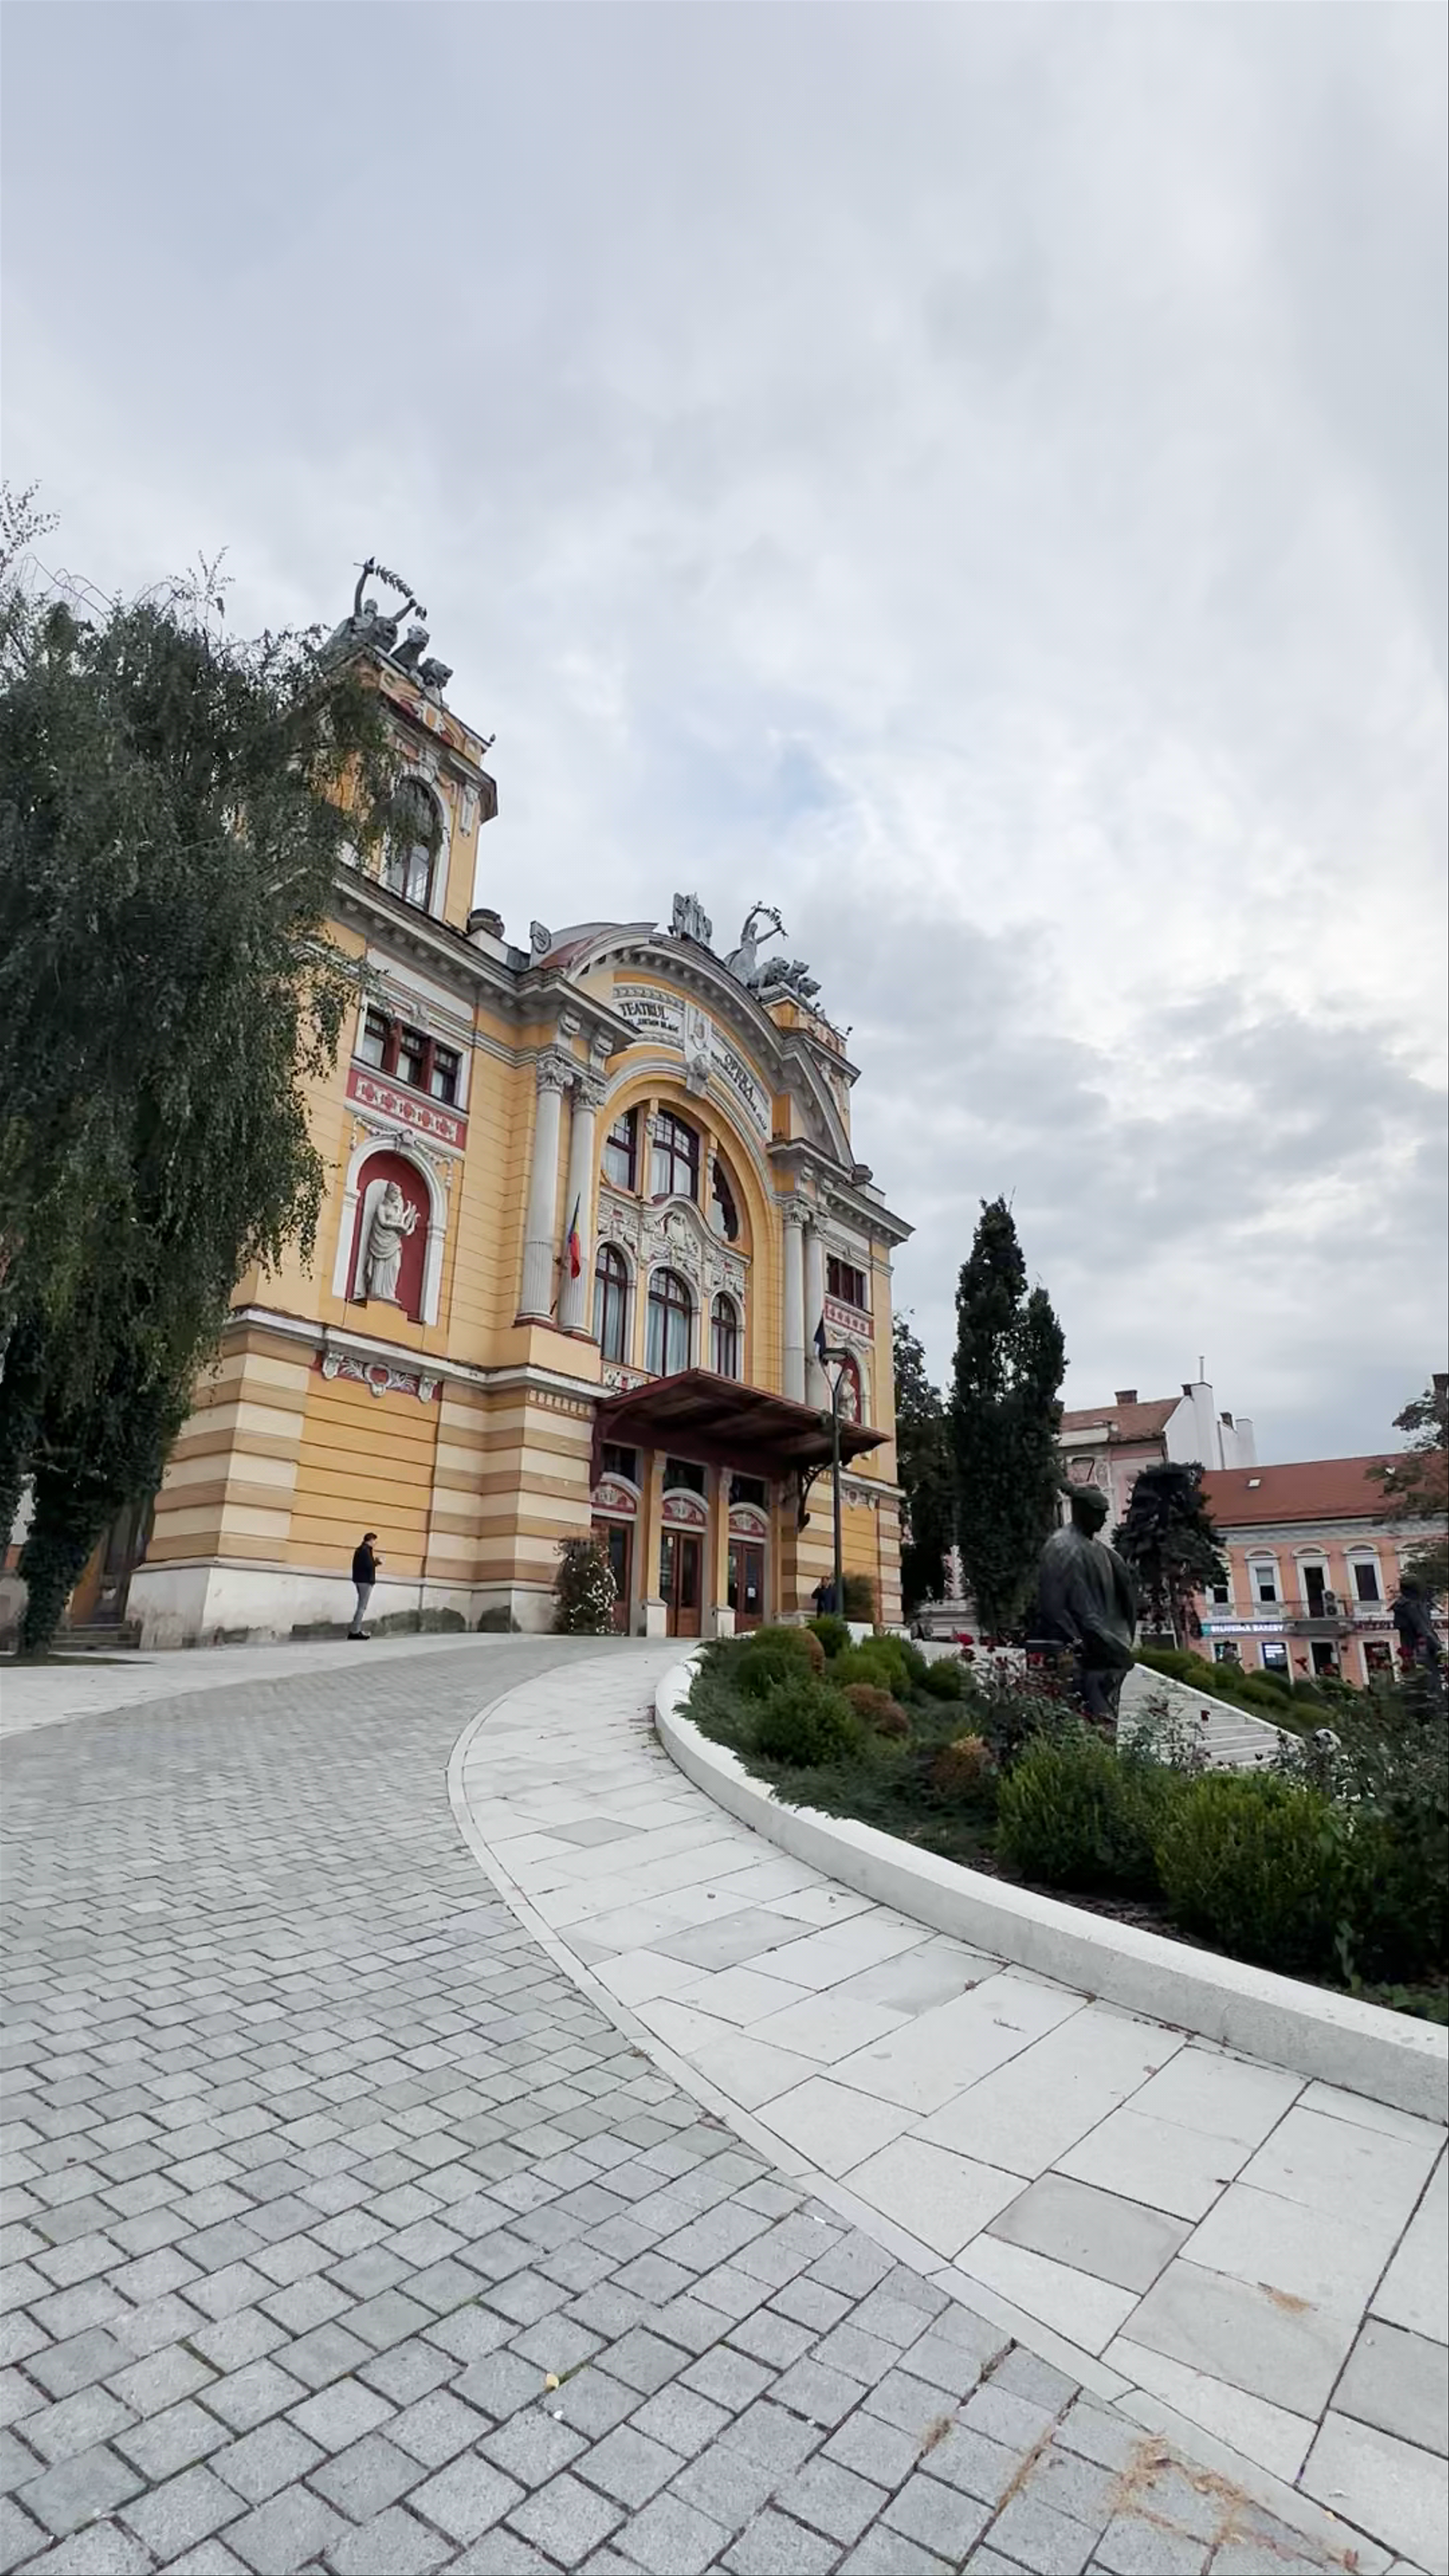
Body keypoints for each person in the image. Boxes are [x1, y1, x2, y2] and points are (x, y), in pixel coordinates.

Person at [1033, 1486, 1138, 1727]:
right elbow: (1057, 1607)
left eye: (1105, 1513)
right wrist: (1082, 1643)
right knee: (1095, 1713)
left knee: (1107, 1713)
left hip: (1106, 1648)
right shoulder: (1062, 1547)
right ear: (1081, 1512)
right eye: (1098, 1514)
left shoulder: (1103, 1553)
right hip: (1087, 1651)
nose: (1103, 1521)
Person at [349, 1533, 380, 1639]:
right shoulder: (365, 1551)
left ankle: (355, 1630)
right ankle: (355, 1632)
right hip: (365, 1581)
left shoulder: (360, 1550)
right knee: (362, 1607)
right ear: (371, 1540)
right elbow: (368, 1566)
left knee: (361, 1606)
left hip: (359, 1580)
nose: (376, 1543)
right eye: (375, 1541)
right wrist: (377, 1562)